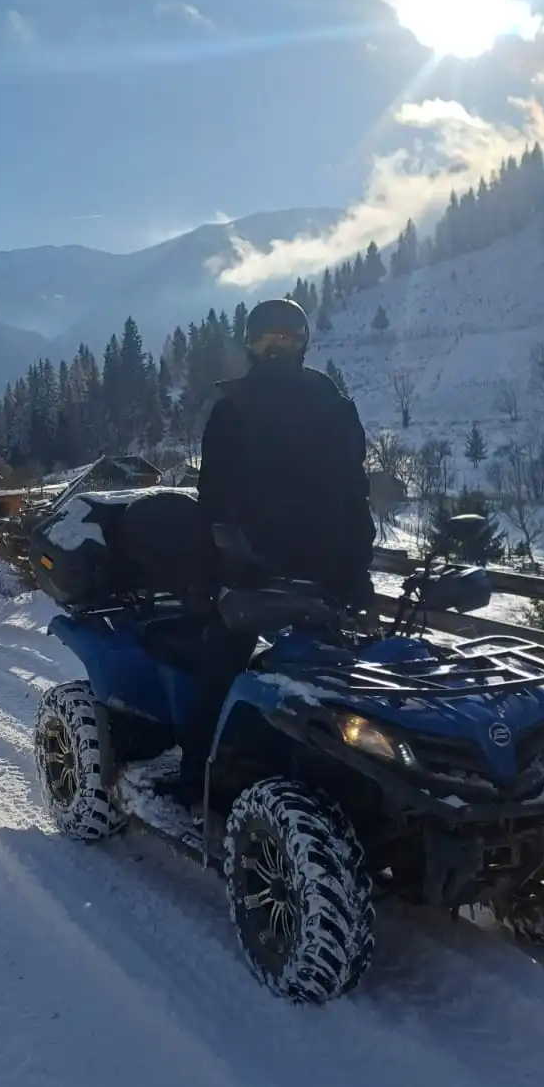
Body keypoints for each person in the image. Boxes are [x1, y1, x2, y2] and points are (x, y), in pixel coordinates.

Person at [164, 297, 375, 802]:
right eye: (267, 338)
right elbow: (215, 499)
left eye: (286, 337)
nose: (277, 347)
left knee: (341, 677)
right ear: (252, 344)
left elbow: (352, 493)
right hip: (274, 570)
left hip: (297, 572)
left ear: (302, 342)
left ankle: (209, 774)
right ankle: (215, 768)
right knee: (234, 662)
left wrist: (357, 568)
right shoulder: (267, 405)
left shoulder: (309, 405)